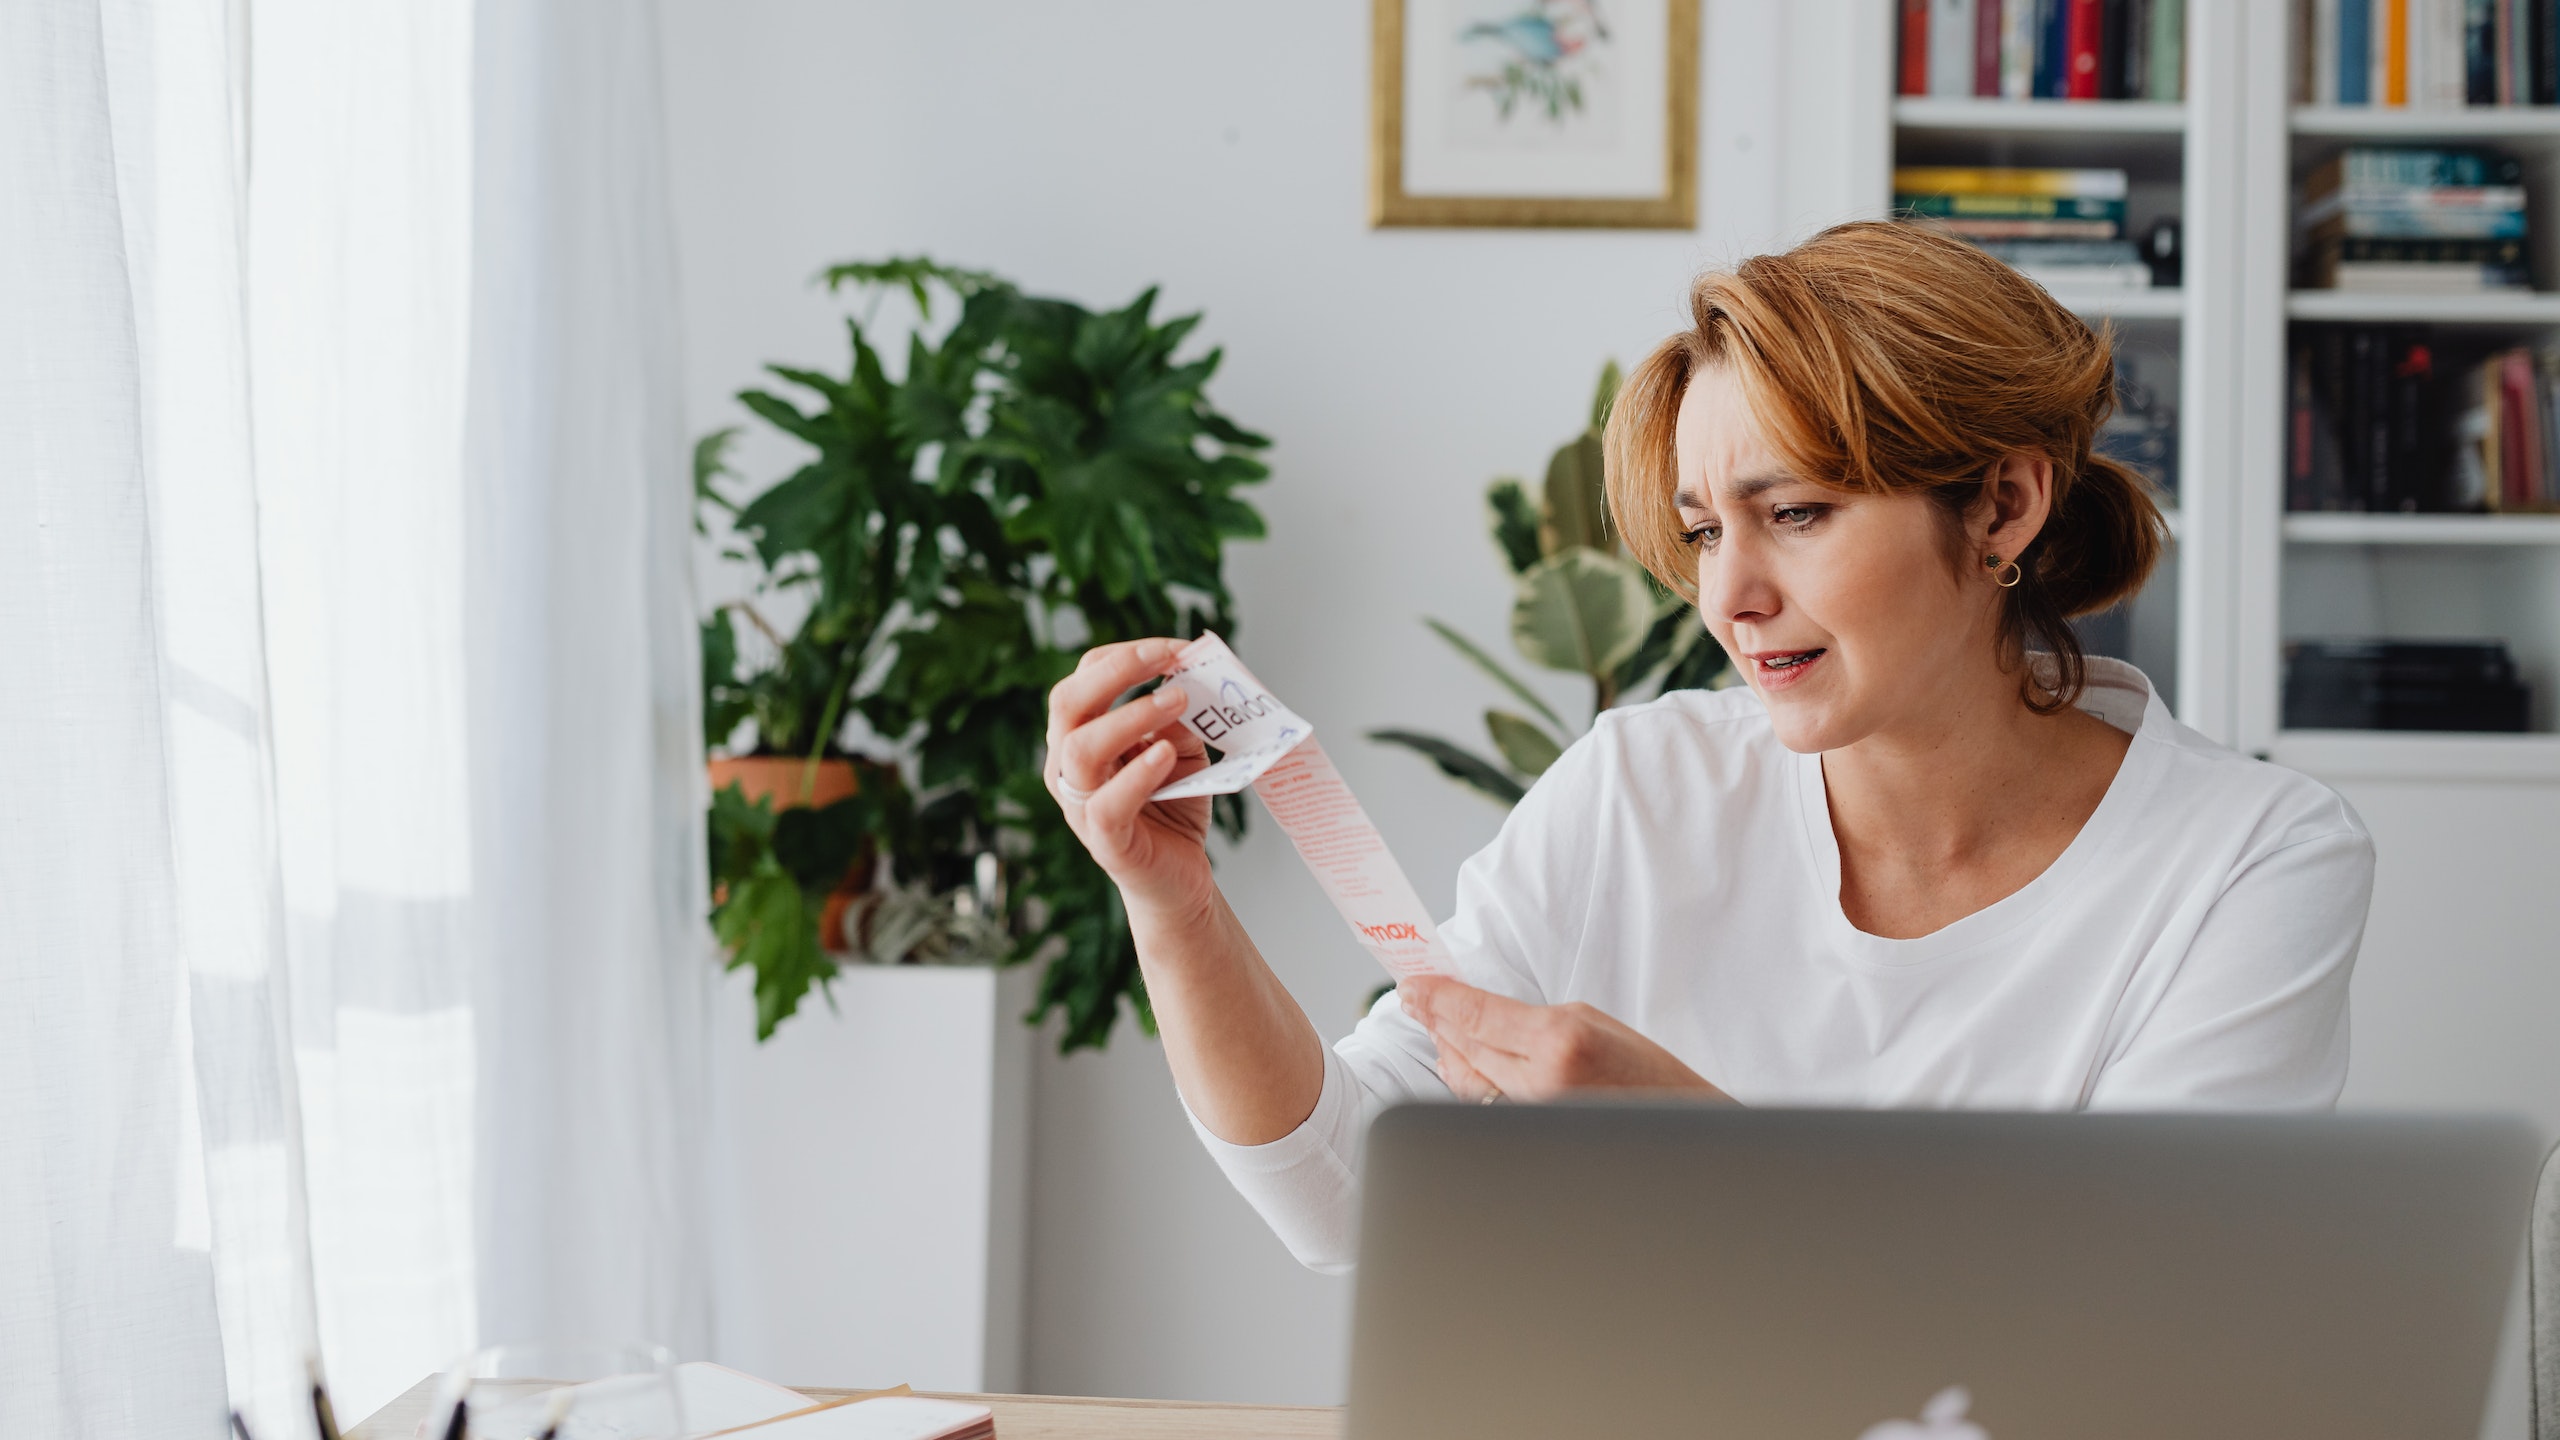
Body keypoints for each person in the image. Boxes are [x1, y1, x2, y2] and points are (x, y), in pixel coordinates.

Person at [1040, 221, 2374, 1274]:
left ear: (2004, 504)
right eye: (1699, 532)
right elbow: (1347, 1199)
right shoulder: (1641, 789)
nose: (1725, 597)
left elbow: (2139, 1321)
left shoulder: (2249, 860)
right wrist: (1173, 905)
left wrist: (1693, 1151)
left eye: (1793, 511)